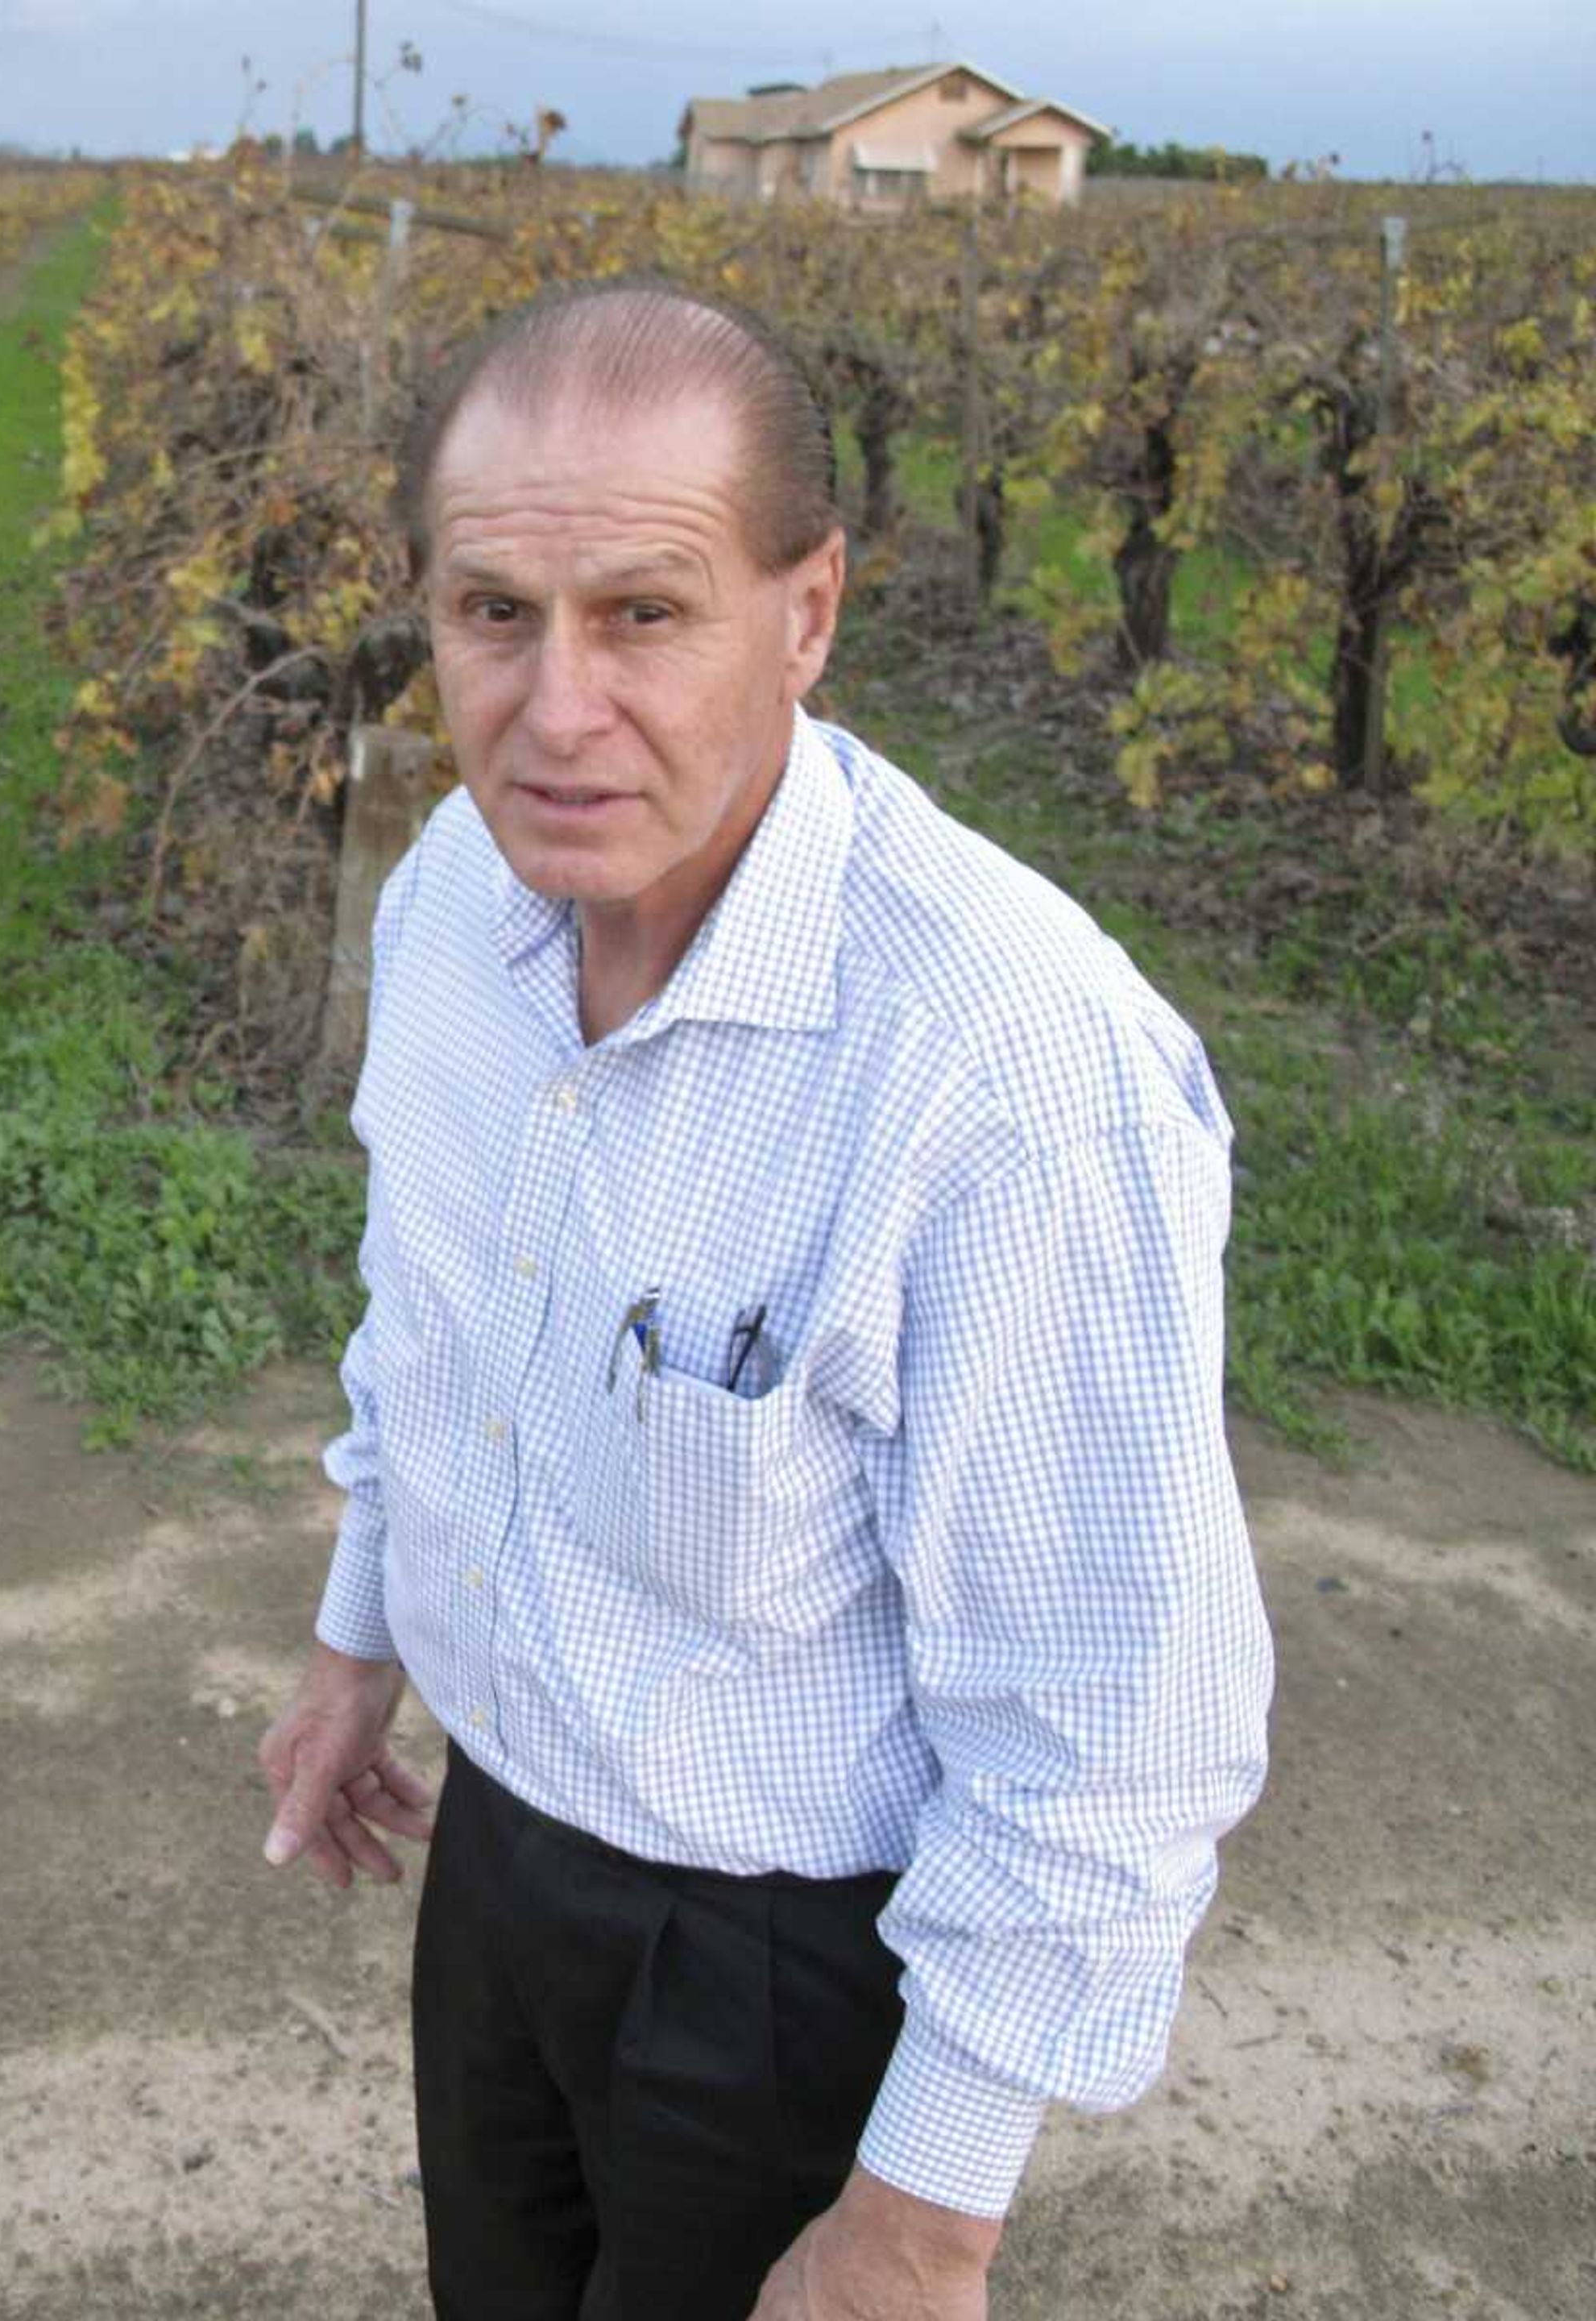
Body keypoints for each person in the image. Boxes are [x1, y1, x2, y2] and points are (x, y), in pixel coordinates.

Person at [254, 281, 1274, 2321]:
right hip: (503, 1857)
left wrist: (923, 2224)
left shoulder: (1003, 1069)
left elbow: (1111, 1721)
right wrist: (362, 1633)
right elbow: (438, 1332)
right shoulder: (460, 892)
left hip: (786, 1971)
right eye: (492, 615)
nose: (555, 710)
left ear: (805, 616)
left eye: (646, 613)